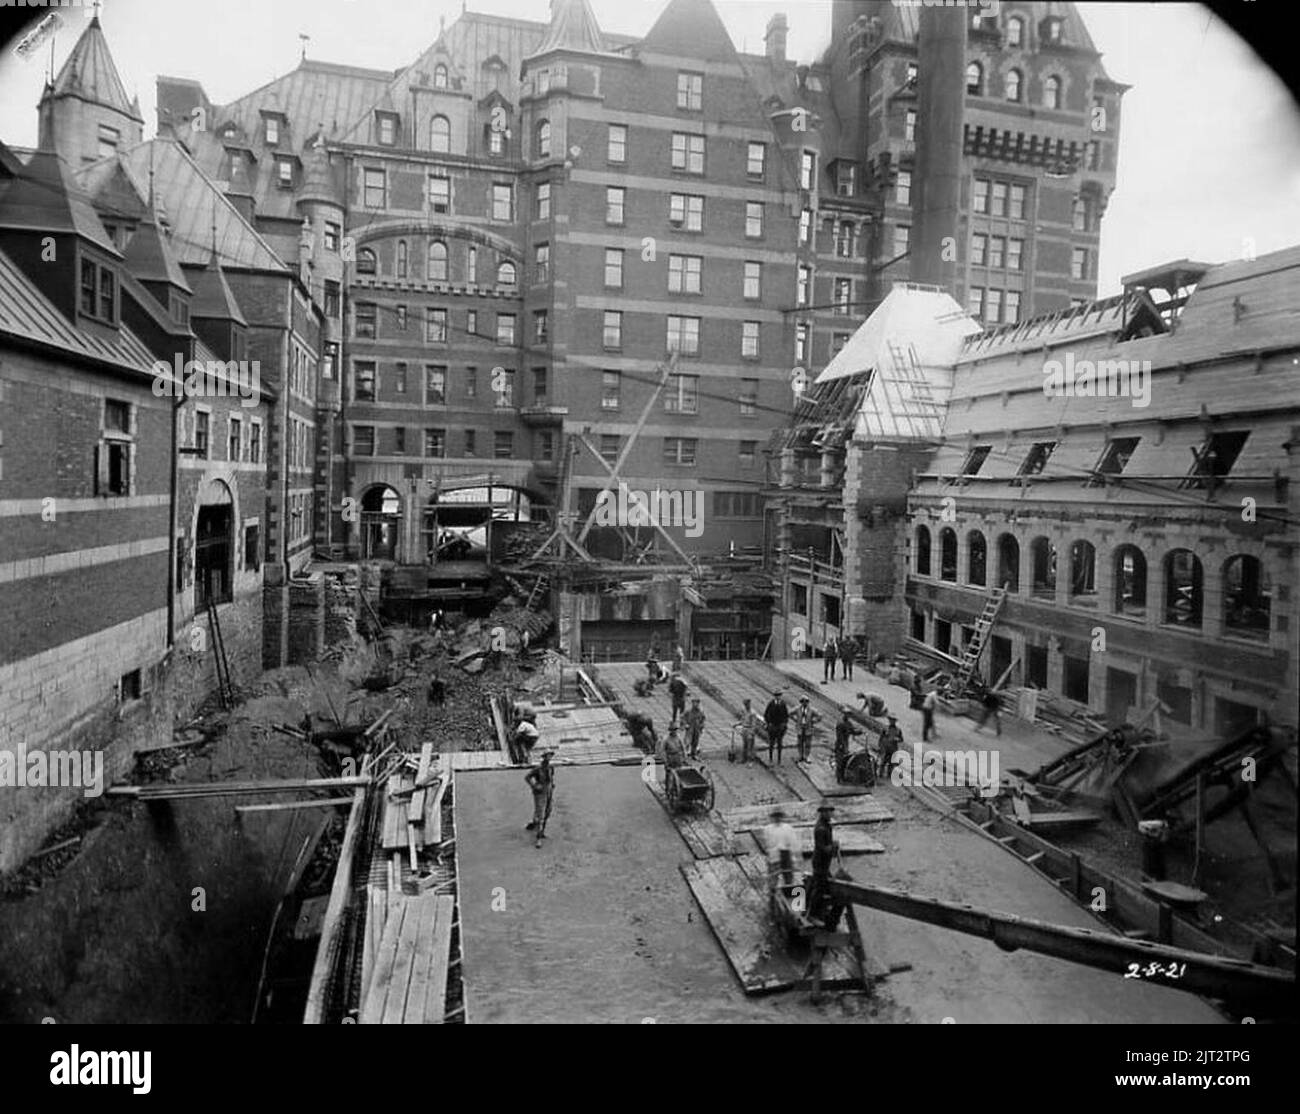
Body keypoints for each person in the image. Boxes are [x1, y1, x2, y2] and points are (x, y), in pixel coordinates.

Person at [808, 802, 841, 929]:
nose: (830, 814)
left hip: (824, 863)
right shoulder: (821, 829)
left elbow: (828, 847)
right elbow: (823, 848)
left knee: (825, 885)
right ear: (822, 813)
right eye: (827, 812)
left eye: (830, 811)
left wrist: (833, 844)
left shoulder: (827, 825)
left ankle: (821, 910)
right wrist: (834, 846)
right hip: (820, 863)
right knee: (820, 888)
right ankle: (812, 915)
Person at [764, 808, 800, 893]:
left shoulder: (788, 828)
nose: (777, 818)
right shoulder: (768, 829)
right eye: (775, 816)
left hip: (786, 855)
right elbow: (767, 844)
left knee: (788, 877)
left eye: (779, 816)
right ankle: (773, 898)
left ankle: (789, 894)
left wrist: (794, 857)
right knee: (773, 880)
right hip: (774, 856)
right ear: (772, 817)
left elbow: (793, 842)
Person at [524, 751, 556, 847]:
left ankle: (542, 832)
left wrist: (552, 785)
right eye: (547, 755)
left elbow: (551, 778)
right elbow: (527, 777)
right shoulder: (538, 769)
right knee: (540, 814)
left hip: (549, 792)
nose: (549, 757)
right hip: (540, 793)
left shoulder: (551, 768)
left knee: (548, 812)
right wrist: (534, 786)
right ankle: (538, 838)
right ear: (544, 757)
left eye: (550, 755)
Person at [834, 707, 862, 782]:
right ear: (844, 714)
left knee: (844, 760)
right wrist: (843, 746)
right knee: (839, 761)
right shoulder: (840, 723)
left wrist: (859, 732)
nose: (847, 716)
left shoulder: (849, 723)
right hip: (840, 744)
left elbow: (852, 731)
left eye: (849, 714)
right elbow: (839, 736)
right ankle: (839, 778)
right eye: (846, 714)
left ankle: (842, 776)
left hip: (846, 743)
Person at [763, 690, 790, 764]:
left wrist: (784, 724)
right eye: (776, 695)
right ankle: (770, 758)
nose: (778, 697)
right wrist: (769, 723)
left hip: (780, 726)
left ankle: (779, 759)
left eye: (779, 695)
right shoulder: (771, 704)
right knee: (771, 743)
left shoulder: (783, 704)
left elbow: (786, 715)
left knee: (780, 743)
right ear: (774, 696)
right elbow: (766, 714)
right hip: (773, 726)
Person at [793, 696, 819, 763]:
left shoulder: (812, 710)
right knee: (799, 743)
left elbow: (820, 716)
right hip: (800, 728)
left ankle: (806, 756)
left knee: (808, 744)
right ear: (801, 702)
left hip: (808, 728)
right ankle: (800, 756)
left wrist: (814, 721)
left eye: (806, 702)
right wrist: (796, 720)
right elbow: (790, 713)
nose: (805, 703)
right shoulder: (797, 709)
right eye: (803, 702)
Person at [878, 715, 904, 780]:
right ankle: (880, 774)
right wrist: (880, 746)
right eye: (891, 720)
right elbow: (881, 738)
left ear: (895, 721)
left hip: (893, 748)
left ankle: (889, 775)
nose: (892, 721)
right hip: (885, 748)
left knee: (891, 762)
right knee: (883, 761)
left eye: (893, 720)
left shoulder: (898, 730)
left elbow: (901, 739)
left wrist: (897, 739)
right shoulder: (885, 728)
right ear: (889, 720)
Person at [735, 698, 760, 764]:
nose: (746, 706)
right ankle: (744, 759)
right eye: (745, 705)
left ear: (749, 704)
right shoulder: (744, 711)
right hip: (744, 729)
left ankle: (750, 761)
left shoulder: (753, 713)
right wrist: (737, 724)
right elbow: (743, 720)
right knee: (745, 745)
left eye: (747, 704)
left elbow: (754, 724)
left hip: (750, 730)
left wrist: (751, 733)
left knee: (750, 746)